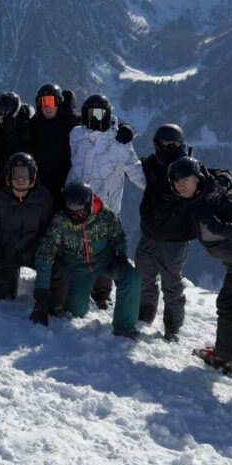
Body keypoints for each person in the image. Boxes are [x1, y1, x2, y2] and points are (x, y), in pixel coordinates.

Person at [169, 157, 232, 375]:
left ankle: (226, 359)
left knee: (228, 304)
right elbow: (219, 172)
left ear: (197, 178)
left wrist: (218, 225)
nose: (180, 185)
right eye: (176, 181)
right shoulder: (198, 195)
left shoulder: (221, 199)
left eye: (185, 180)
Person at [67, 94, 146, 310]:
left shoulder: (119, 142)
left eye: (100, 114)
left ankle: (101, 294)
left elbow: (136, 172)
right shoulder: (76, 135)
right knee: (73, 248)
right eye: (90, 114)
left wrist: (163, 183)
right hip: (75, 205)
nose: (95, 119)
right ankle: (72, 287)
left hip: (106, 207)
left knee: (105, 250)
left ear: (109, 115)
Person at [30, 181, 140, 336]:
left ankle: (125, 326)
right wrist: (41, 295)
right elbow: (44, 255)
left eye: (80, 212)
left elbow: (119, 237)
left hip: (104, 259)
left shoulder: (106, 216)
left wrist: (120, 255)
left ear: (89, 205)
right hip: (77, 264)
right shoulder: (59, 222)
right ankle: (81, 299)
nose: (76, 216)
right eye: (71, 212)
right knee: (75, 312)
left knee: (131, 278)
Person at [136, 123, 195, 340]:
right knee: (143, 276)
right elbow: (129, 163)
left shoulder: (189, 168)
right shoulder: (151, 165)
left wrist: (226, 177)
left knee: (171, 283)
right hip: (150, 233)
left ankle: (172, 326)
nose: (166, 148)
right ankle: (145, 314)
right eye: (161, 144)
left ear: (180, 144)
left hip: (175, 239)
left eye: (171, 144)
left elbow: (212, 177)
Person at [0, 153, 53, 303]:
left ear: (33, 176)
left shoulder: (44, 198)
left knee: (59, 270)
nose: (20, 179)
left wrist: (35, 252)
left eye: (25, 174)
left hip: (33, 252)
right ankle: (10, 274)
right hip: (7, 254)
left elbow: (49, 233)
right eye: (16, 174)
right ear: (8, 177)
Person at [27, 83, 79, 208]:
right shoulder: (33, 125)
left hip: (65, 187)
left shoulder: (70, 122)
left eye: (51, 101)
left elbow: (96, 125)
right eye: (43, 102)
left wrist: (122, 127)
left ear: (59, 103)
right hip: (40, 188)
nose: (47, 107)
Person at [0, 92, 34, 179]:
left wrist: (10, 133)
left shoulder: (27, 122)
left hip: (21, 168)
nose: (1, 115)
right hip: (1, 165)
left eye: (4, 112)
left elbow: (24, 146)